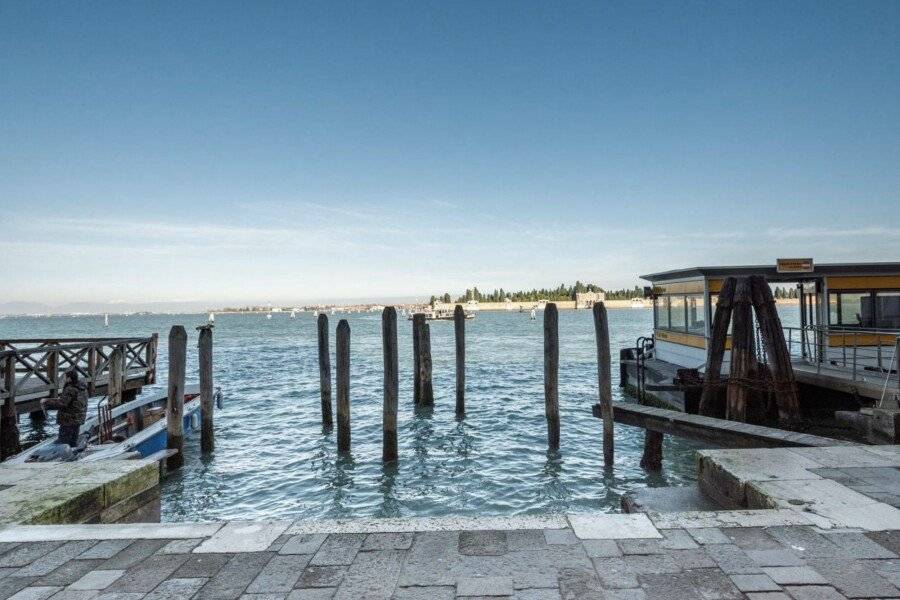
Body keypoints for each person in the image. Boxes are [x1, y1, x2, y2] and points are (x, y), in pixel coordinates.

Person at [41, 369, 88, 448]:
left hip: (68, 420)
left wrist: (47, 402)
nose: (64, 379)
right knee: (73, 439)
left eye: (65, 377)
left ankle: (62, 458)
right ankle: (73, 453)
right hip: (79, 418)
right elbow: (72, 401)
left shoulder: (70, 389)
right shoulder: (83, 388)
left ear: (69, 378)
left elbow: (62, 403)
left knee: (64, 441)